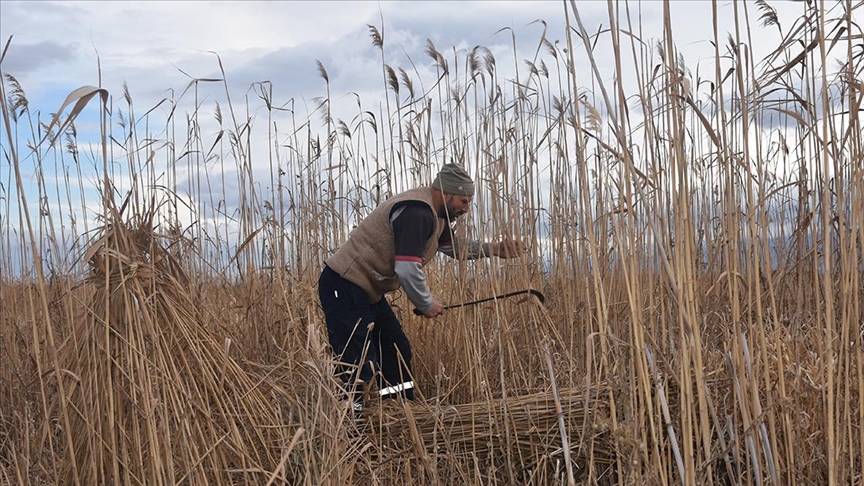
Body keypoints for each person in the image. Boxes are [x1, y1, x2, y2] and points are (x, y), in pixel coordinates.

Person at [318, 163, 524, 415]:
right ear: (445, 193)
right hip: (344, 284)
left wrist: (494, 249)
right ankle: (351, 424)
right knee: (356, 362)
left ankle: (397, 412)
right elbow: (406, 268)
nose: (466, 209)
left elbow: (453, 247)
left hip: (367, 290)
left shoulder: (437, 217)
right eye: (463, 201)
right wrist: (425, 303)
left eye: (469, 202)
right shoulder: (417, 212)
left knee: (396, 350)